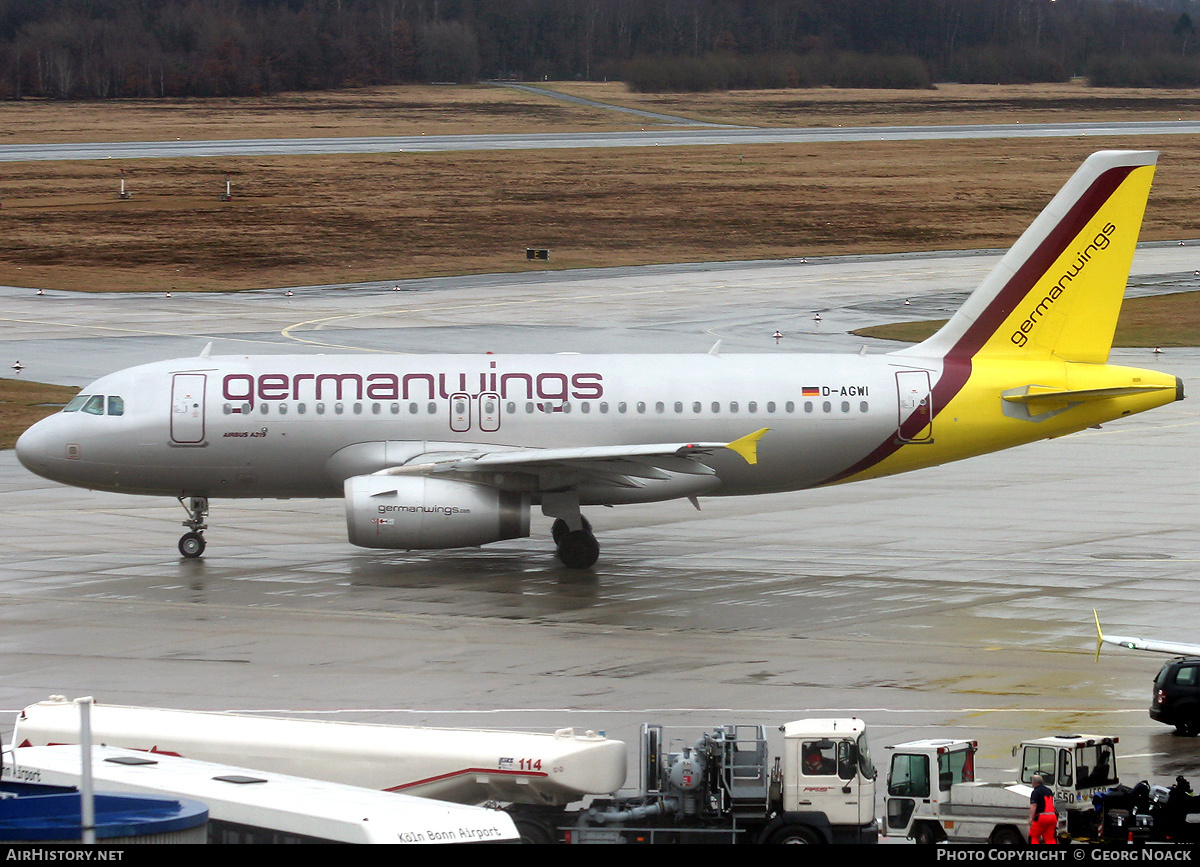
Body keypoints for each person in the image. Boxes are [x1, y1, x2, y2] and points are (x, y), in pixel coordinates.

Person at [1029, 774, 1057, 844]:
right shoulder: (1049, 791)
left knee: (1034, 836)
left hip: (1042, 817)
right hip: (1052, 816)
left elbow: (1033, 805)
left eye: (1032, 782)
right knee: (1050, 839)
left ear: (1035, 783)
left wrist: (1031, 818)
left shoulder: (1035, 792)